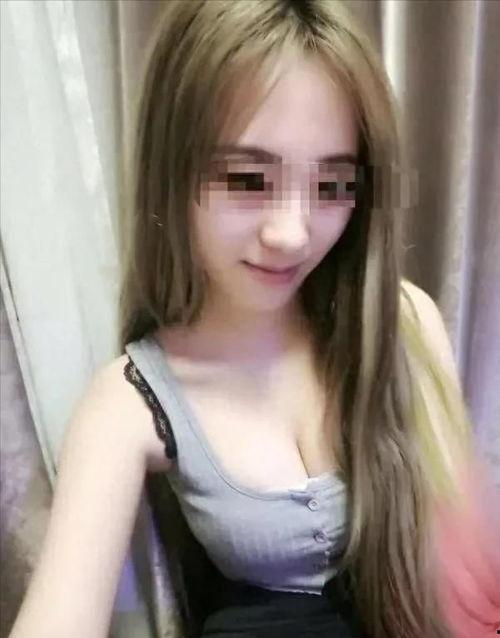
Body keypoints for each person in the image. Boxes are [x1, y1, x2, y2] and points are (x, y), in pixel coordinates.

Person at [10, 1, 500, 637]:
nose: (291, 234)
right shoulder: (130, 401)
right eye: (247, 180)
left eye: (332, 186)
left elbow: (468, 590)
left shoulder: (405, 326)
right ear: (171, 173)